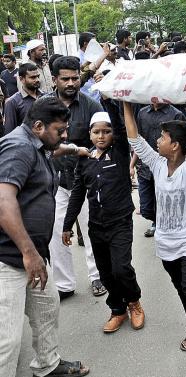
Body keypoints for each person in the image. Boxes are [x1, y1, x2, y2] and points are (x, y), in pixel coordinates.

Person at [123, 95, 186, 367]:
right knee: (181, 288)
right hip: (164, 242)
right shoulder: (156, 164)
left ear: (176, 145)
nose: (157, 140)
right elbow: (135, 140)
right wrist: (126, 102)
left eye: (163, 137)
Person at [0, 96, 90, 377]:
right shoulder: (18, 147)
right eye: (60, 130)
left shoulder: (36, 144)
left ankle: (48, 364)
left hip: (33, 256)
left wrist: (75, 149)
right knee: (7, 340)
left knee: (47, 310)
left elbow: (53, 150)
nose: (63, 134)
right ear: (38, 126)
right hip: (9, 259)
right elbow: (4, 201)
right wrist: (28, 253)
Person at [61, 105, 144, 333]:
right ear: (89, 134)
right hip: (96, 226)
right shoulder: (85, 159)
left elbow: (119, 124)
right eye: (96, 132)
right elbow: (77, 194)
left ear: (113, 134)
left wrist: (109, 99)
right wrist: (67, 225)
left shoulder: (119, 152)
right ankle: (117, 310)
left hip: (120, 223)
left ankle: (134, 302)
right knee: (105, 272)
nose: (101, 136)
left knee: (121, 269)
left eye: (106, 131)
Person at [45, 56, 106, 300]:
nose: (71, 83)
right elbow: (35, 139)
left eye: (74, 78)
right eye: (65, 79)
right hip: (56, 180)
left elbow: (105, 139)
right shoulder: (44, 106)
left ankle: (97, 276)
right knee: (58, 232)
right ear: (54, 79)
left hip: (87, 180)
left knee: (93, 229)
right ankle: (64, 284)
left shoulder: (92, 106)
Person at [130, 101, 186, 238]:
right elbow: (138, 141)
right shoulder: (142, 113)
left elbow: (183, 145)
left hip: (167, 167)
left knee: (164, 200)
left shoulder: (176, 114)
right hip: (145, 166)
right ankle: (156, 220)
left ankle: (161, 225)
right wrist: (131, 165)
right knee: (145, 207)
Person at [3, 63, 43, 134]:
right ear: (21, 79)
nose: (37, 80)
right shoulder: (13, 102)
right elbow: (9, 133)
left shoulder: (45, 97)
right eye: (33, 77)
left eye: (38, 76)